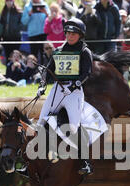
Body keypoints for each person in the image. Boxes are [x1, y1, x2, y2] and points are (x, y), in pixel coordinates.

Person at [36, 18, 94, 175]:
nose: (69, 36)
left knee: (74, 126)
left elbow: (86, 73)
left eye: (73, 33)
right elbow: (48, 71)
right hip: (57, 89)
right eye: (68, 33)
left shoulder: (84, 51)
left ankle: (86, 162)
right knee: (41, 121)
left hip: (74, 91)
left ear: (80, 35)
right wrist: (42, 85)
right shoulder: (59, 50)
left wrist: (76, 84)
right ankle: (37, 159)